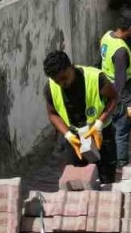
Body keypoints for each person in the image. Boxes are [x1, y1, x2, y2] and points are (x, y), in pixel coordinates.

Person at [43, 50, 119, 185]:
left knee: (106, 178)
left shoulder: (96, 78)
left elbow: (113, 98)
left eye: (64, 77)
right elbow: (52, 114)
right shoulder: (50, 87)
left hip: (100, 133)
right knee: (74, 179)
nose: (62, 83)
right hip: (75, 137)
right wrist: (67, 135)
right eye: (57, 80)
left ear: (71, 67)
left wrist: (99, 124)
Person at [100, 8, 131, 170]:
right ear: (130, 29)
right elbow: (120, 84)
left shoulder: (107, 37)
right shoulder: (121, 52)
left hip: (105, 88)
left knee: (111, 127)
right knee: (122, 129)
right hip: (117, 94)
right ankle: (121, 164)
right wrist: (130, 103)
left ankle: (112, 158)